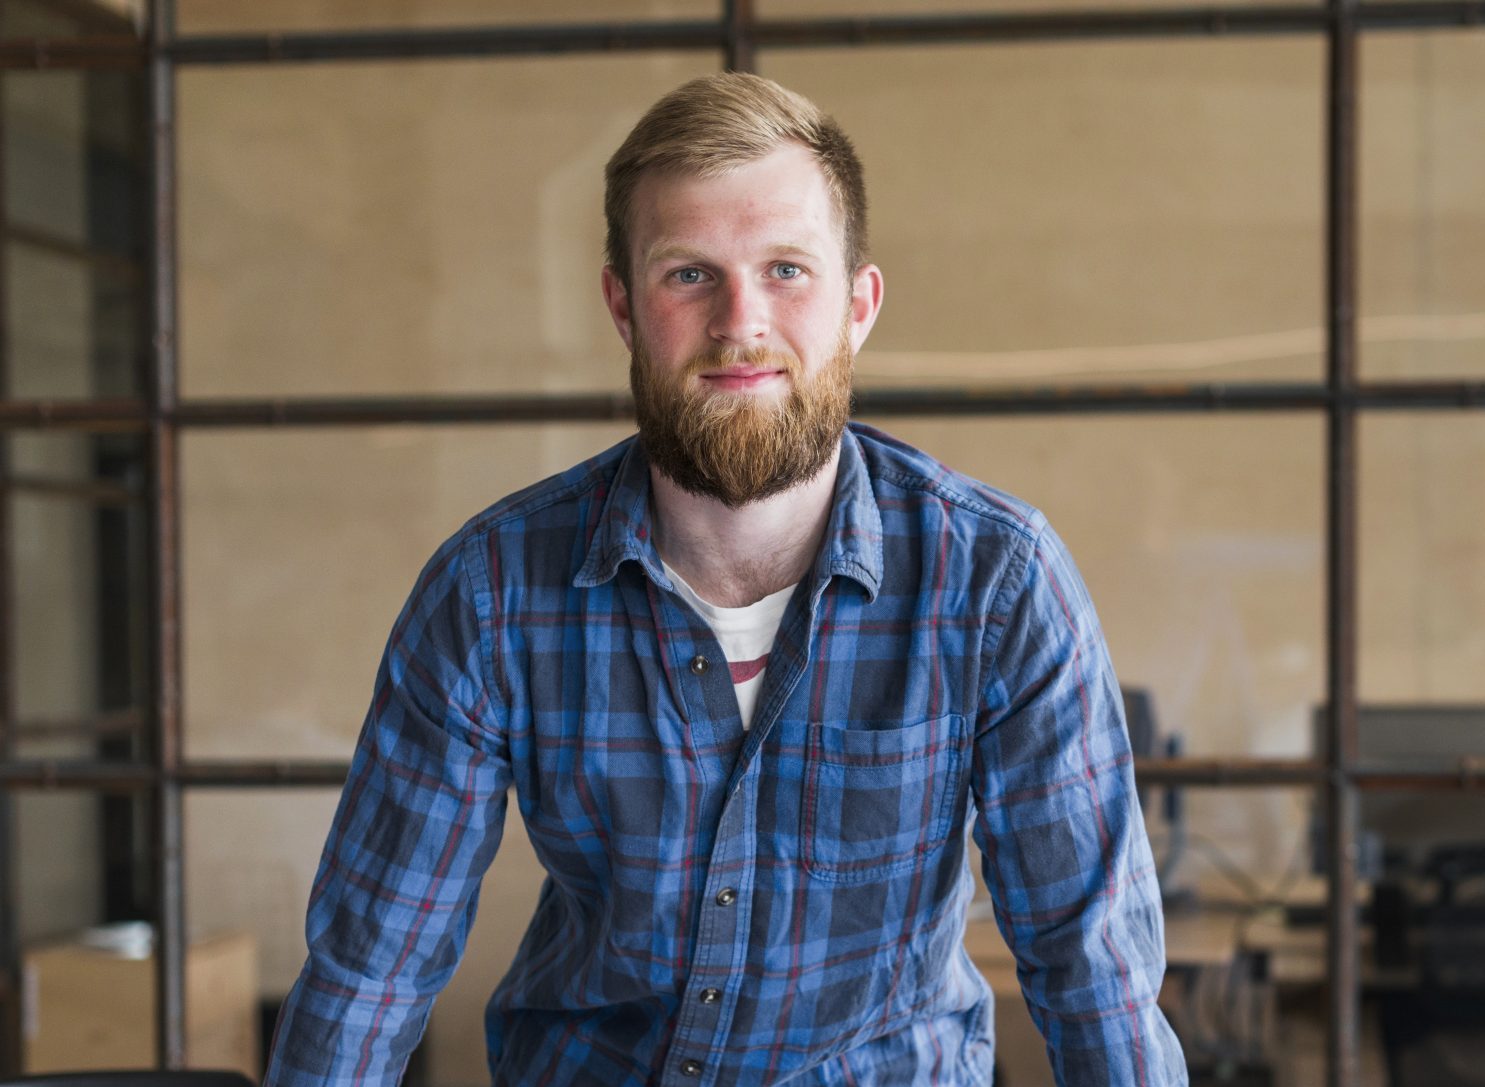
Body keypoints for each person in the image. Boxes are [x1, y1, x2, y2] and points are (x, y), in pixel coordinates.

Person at [265, 72, 1186, 1086]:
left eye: (787, 269)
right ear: (622, 305)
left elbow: (1092, 974)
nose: (740, 323)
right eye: (688, 274)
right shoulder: (489, 594)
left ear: (859, 306)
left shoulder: (999, 584)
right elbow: (369, 975)